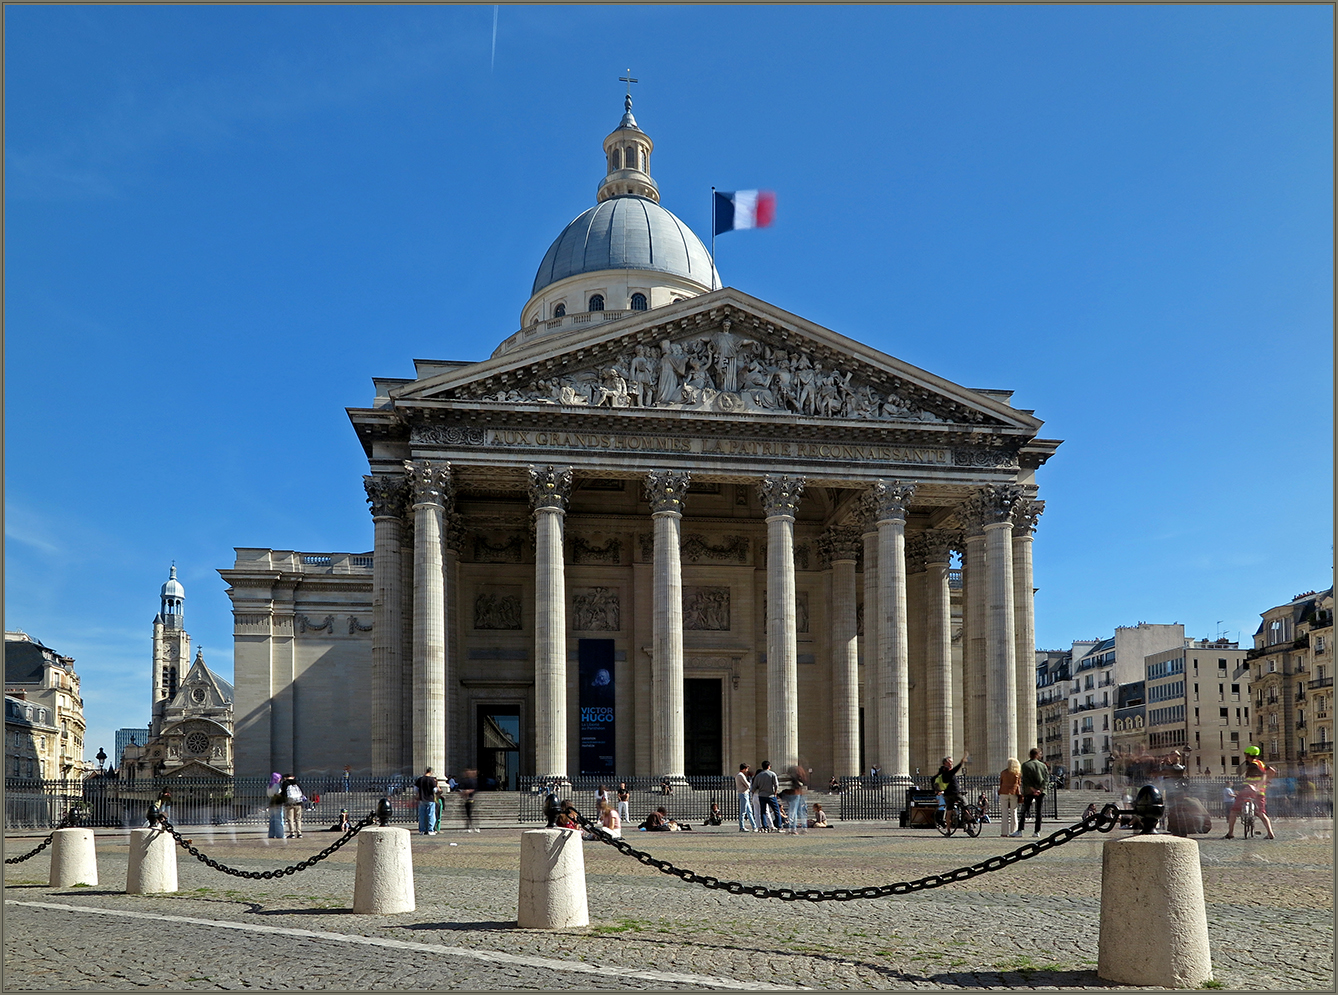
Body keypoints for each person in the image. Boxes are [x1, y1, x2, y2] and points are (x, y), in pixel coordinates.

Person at [1224, 745, 1277, 839]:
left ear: (1247, 755)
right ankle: (1270, 833)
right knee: (1261, 813)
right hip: (1260, 791)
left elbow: (1263, 774)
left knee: (1234, 811)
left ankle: (1230, 833)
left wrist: (1261, 780)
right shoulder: (1261, 763)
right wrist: (1266, 781)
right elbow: (1272, 771)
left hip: (1248, 789)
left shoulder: (1253, 764)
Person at [1018, 748, 1050, 837]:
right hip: (1041, 791)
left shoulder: (1025, 765)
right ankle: (1037, 831)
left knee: (1024, 810)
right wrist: (1040, 789)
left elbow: (1026, 779)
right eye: (1040, 754)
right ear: (1037, 755)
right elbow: (1047, 778)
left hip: (1029, 791)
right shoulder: (1043, 765)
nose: (1041, 755)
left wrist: (1032, 789)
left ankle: (1020, 830)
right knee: (1039, 811)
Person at [933, 754, 968, 830]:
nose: (951, 763)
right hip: (955, 793)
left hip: (947, 794)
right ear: (945, 762)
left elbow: (933, 779)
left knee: (949, 811)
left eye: (952, 762)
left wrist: (937, 790)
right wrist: (961, 762)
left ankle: (948, 830)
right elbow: (955, 770)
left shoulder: (941, 771)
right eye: (950, 762)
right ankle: (969, 822)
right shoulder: (947, 771)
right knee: (965, 805)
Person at [750, 760, 783, 832]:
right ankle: (779, 826)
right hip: (770, 795)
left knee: (763, 812)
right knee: (776, 810)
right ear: (768, 766)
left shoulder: (758, 776)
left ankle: (764, 827)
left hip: (761, 795)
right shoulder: (772, 774)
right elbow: (776, 784)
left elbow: (754, 787)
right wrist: (775, 792)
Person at [997, 758, 1022, 838]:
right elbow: (1019, 783)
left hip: (1004, 792)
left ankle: (1004, 832)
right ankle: (1014, 830)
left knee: (1004, 812)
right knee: (1014, 812)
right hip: (1014, 793)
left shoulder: (1003, 772)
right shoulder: (1017, 773)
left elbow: (1001, 782)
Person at [414, 767, 439, 835]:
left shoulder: (420, 779)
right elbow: (434, 790)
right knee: (431, 814)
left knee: (422, 815)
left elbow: (415, 789)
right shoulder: (431, 779)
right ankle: (430, 830)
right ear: (431, 772)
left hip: (422, 798)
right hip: (430, 799)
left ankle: (422, 830)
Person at [279, 773, 305, 839]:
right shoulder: (297, 783)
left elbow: (283, 793)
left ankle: (292, 833)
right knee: (298, 818)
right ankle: (299, 833)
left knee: (290, 819)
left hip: (289, 803)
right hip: (298, 803)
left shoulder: (285, 783)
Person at [784, 764, 808, 834]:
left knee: (792, 812)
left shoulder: (792, 777)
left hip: (793, 794)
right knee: (801, 811)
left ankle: (792, 828)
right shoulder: (800, 776)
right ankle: (803, 827)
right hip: (799, 793)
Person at [735, 763, 759, 832]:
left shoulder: (738, 774)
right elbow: (748, 785)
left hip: (744, 794)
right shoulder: (741, 775)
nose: (747, 770)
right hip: (743, 794)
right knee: (743, 811)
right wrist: (750, 783)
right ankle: (741, 827)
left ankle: (754, 826)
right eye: (747, 769)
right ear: (744, 769)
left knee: (749, 811)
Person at [266, 773, 285, 839]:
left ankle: (271, 834)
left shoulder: (269, 785)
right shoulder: (277, 785)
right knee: (279, 819)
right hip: (277, 802)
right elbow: (278, 793)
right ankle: (280, 834)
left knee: (272, 819)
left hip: (271, 802)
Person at [460, 768, 479, 833]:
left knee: (470, 814)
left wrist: (468, 791)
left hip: (470, 799)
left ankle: (473, 827)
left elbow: (475, 789)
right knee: (468, 814)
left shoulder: (473, 781)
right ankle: (470, 826)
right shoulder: (466, 781)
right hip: (467, 800)